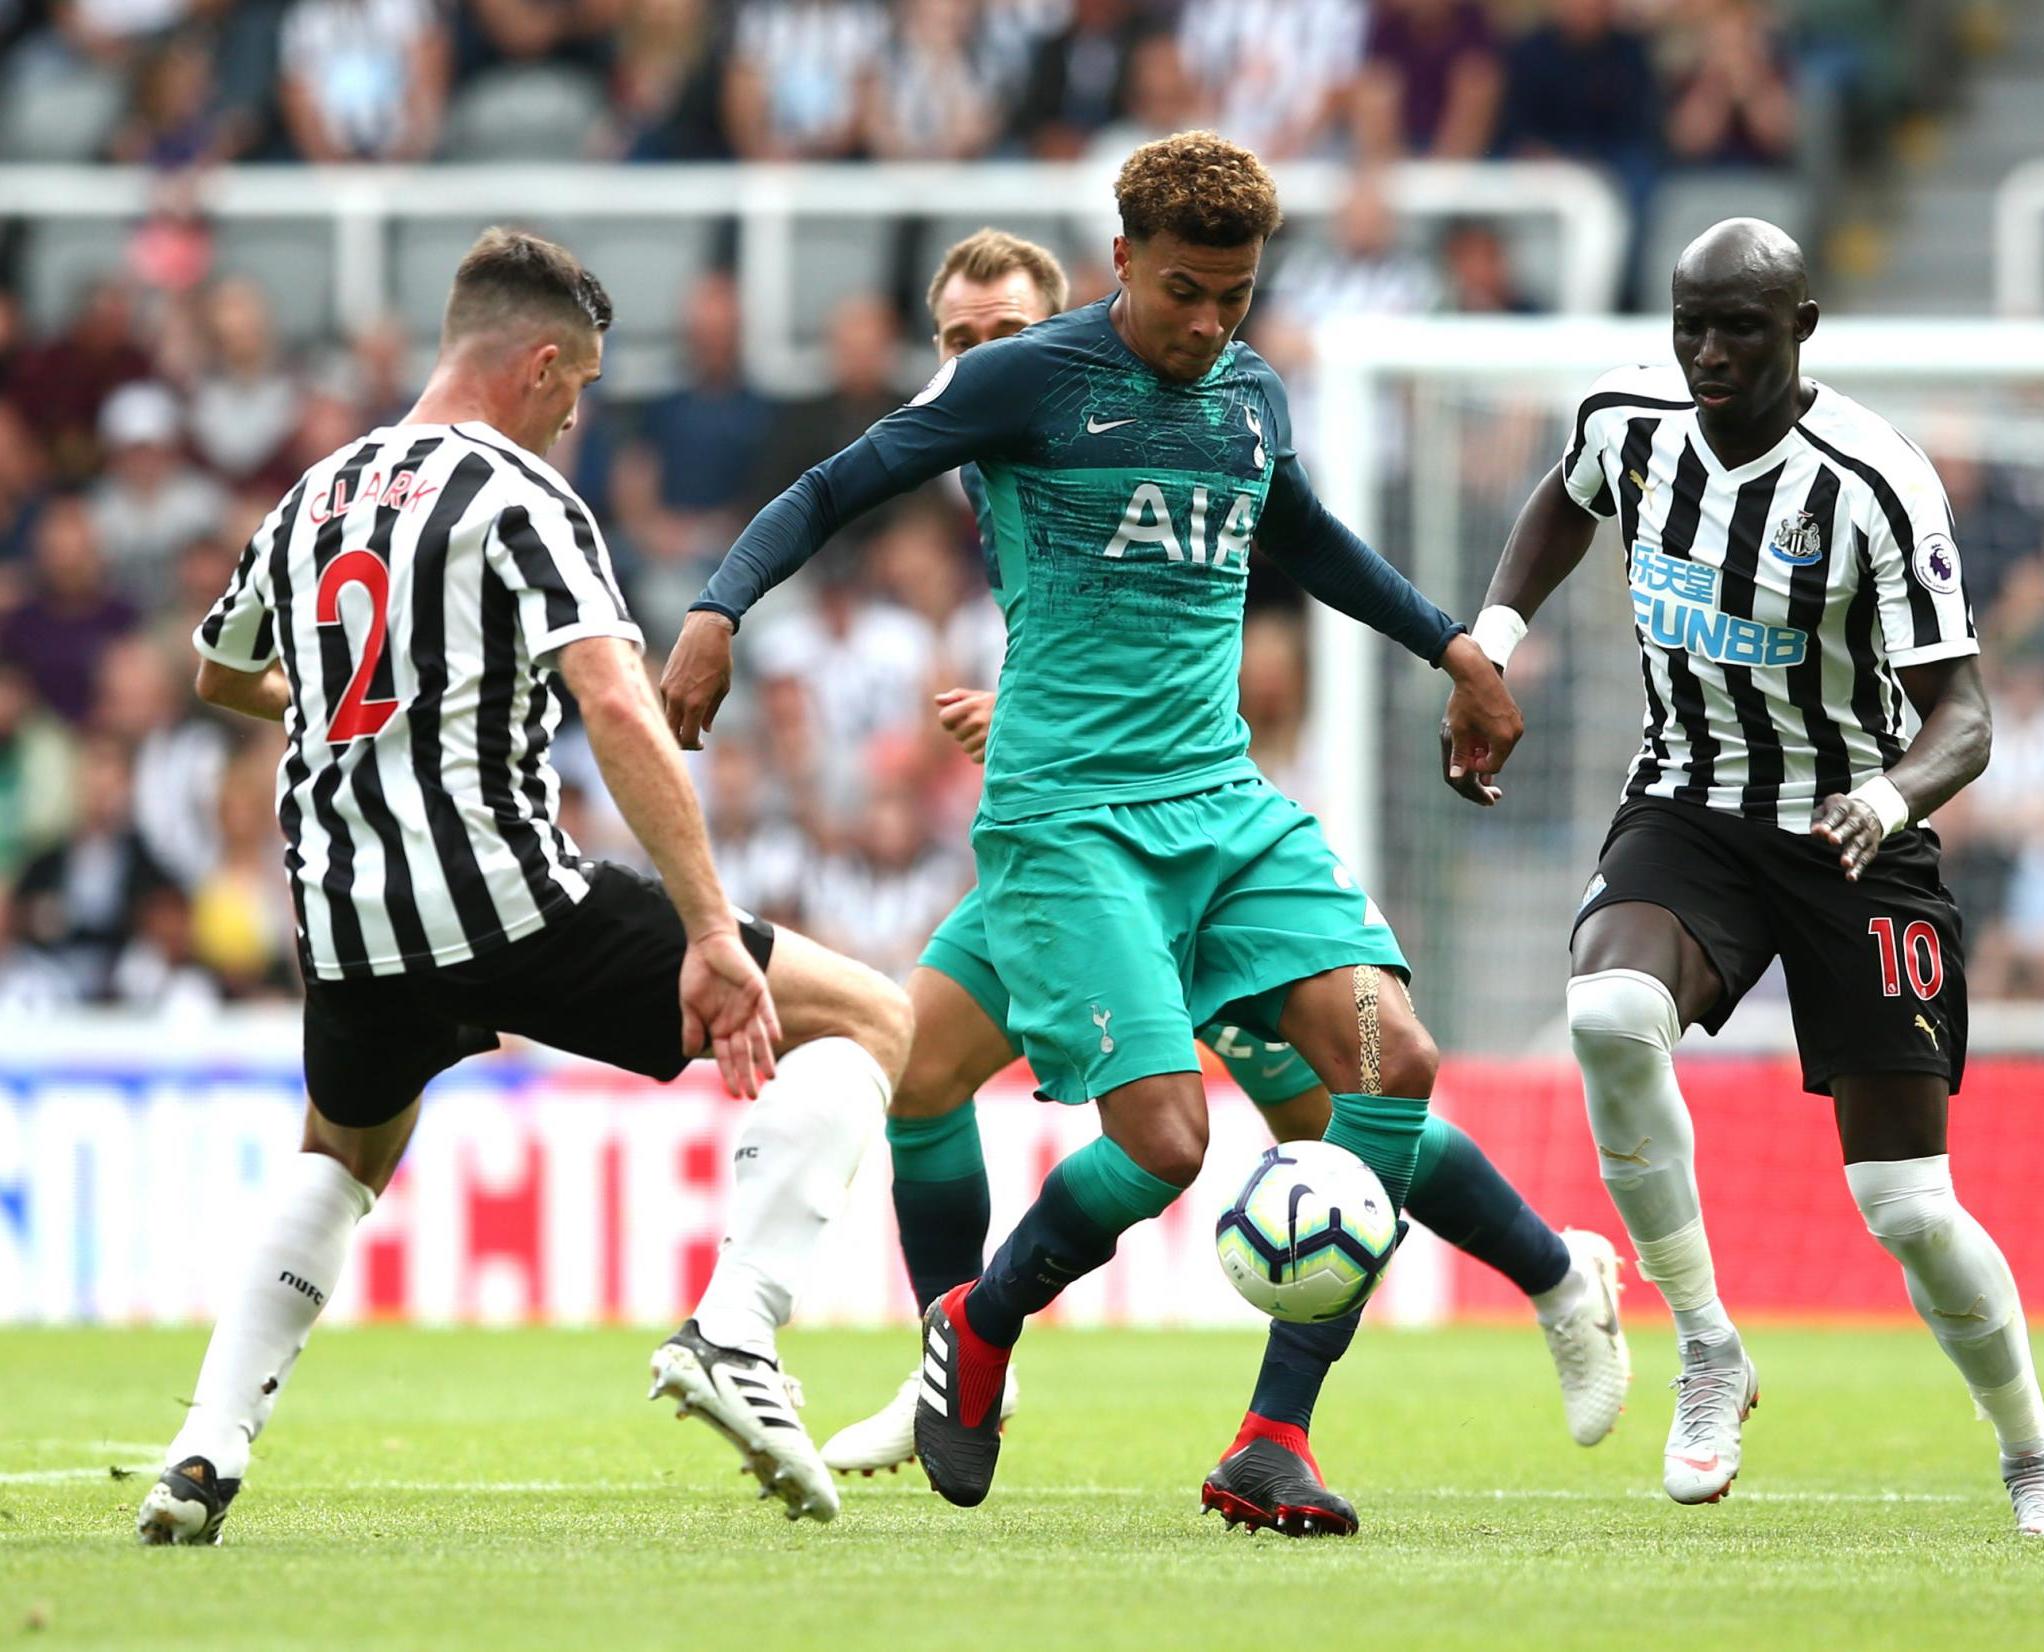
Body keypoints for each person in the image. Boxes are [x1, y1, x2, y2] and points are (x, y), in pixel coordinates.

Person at [660, 137, 1627, 1535]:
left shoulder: (1244, 392)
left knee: (1385, 1062)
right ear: (1120, 263)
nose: (1207, 324)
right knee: (1152, 1137)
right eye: (1184, 292)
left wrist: (1454, 648)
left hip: (1221, 810)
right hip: (1070, 827)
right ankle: (970, 1333)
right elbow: (831, 487)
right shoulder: (1027, 385)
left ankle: (1252, 1425)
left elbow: (1303, 536)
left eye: (1231, 297)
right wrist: (716, 610)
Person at [136, 228, 912, 1547]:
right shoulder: (519, 497)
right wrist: (712, 931)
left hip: (343, 914)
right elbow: (611, 697)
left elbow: (218, 672)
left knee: (344, 1153)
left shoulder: (313, 494)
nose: (576, 416)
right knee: (867, 1019)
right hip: (500, 894)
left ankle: (204, 1451)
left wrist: (327, 709)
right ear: (540, 365)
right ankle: (737, 1331)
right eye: (582, 388)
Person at [1466, 217, 2044, 1537]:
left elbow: (1963, 718)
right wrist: (1492, 637)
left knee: (1905, 1206)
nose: (1705, 351)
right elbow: (1560, 499)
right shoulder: (1627, 425)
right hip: (1688, 809)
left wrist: (1883, 797)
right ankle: (1707, 1346)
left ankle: (2031, 1446)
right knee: (1603, 1015)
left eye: (1738, 327)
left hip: (1849, 839)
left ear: (1800, 327)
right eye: (1688, 323)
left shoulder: (1872, 484)